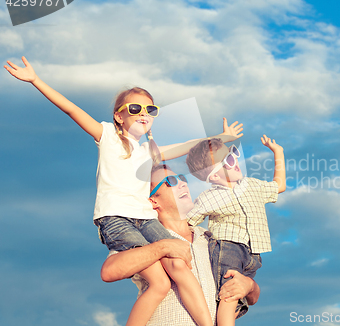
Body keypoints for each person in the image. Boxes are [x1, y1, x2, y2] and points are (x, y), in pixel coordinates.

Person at [4, 57, 243, 326]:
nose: (143, 113)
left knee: (179, 262)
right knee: (159, 282)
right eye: (135, 108)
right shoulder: (107, 136)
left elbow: (188, 145)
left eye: (150, 109)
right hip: (116, 218)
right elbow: (71, 109)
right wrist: (36, 80)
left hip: (145, 218)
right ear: (119, 115)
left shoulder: (149, 152)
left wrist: (222, 139)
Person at [101, 163, 260, 325]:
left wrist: (249, 286)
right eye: (171, 181)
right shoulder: (144, 239)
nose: (183, 183)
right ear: (153, 201)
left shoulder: (212, 241)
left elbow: (252, 297)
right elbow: (109, 271)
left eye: (182, 178)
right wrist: (162, 247)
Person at [185, 136, 285, 326]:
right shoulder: (209, 198)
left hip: (253, 254)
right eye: (228, 161)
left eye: (234, 154)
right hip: (228, 248)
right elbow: (187, 222)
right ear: (214, 176)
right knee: (228, 297)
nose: (236, 161)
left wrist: (278, 152)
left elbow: (279, 186)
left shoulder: (252, 186)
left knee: (237, 298)